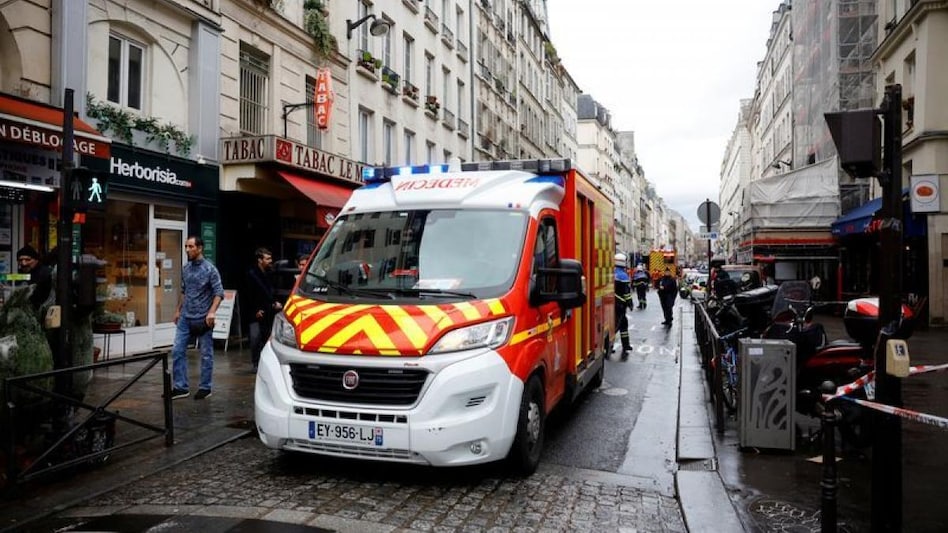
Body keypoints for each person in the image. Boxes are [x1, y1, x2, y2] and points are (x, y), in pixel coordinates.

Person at [170, 236, 224, 400]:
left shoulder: (210, 269)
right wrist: (178, 310)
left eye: (191, 246)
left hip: (203, 318)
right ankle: (180, 387)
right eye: (186, 246)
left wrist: (212, 312)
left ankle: (205, 387)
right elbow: (184, 291)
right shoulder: (186, 268)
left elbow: (219, 293)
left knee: (206, 354)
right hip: (185, 317)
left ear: (199, 248)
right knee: (177, 350)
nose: (187, 250)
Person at [246, 247, 282, 371]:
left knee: (268, 337)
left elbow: (272, 291)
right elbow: (248, 295)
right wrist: (256, 310)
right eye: (267, 259)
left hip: (269, 311)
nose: (270, 261)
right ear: (260, 260)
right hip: (256, 313)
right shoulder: (251, 274)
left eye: (270, 258)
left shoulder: (270, 274)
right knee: (255, 338)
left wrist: (274, 302)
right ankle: (256, 363)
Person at [16, 244, 53, 315]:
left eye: (28, 260)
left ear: (36, 260)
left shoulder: (45, 273)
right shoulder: (20, 274)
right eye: (20, 260)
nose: (23, 263)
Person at [614, 253, 633, 356]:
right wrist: (630, 303)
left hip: (613, 303)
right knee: (617, 325)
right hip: (620, 304)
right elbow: (626, 293)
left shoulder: (612, 272)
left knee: (623, 324)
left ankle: (626, 345)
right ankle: (610, 345)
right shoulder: (623, 275)